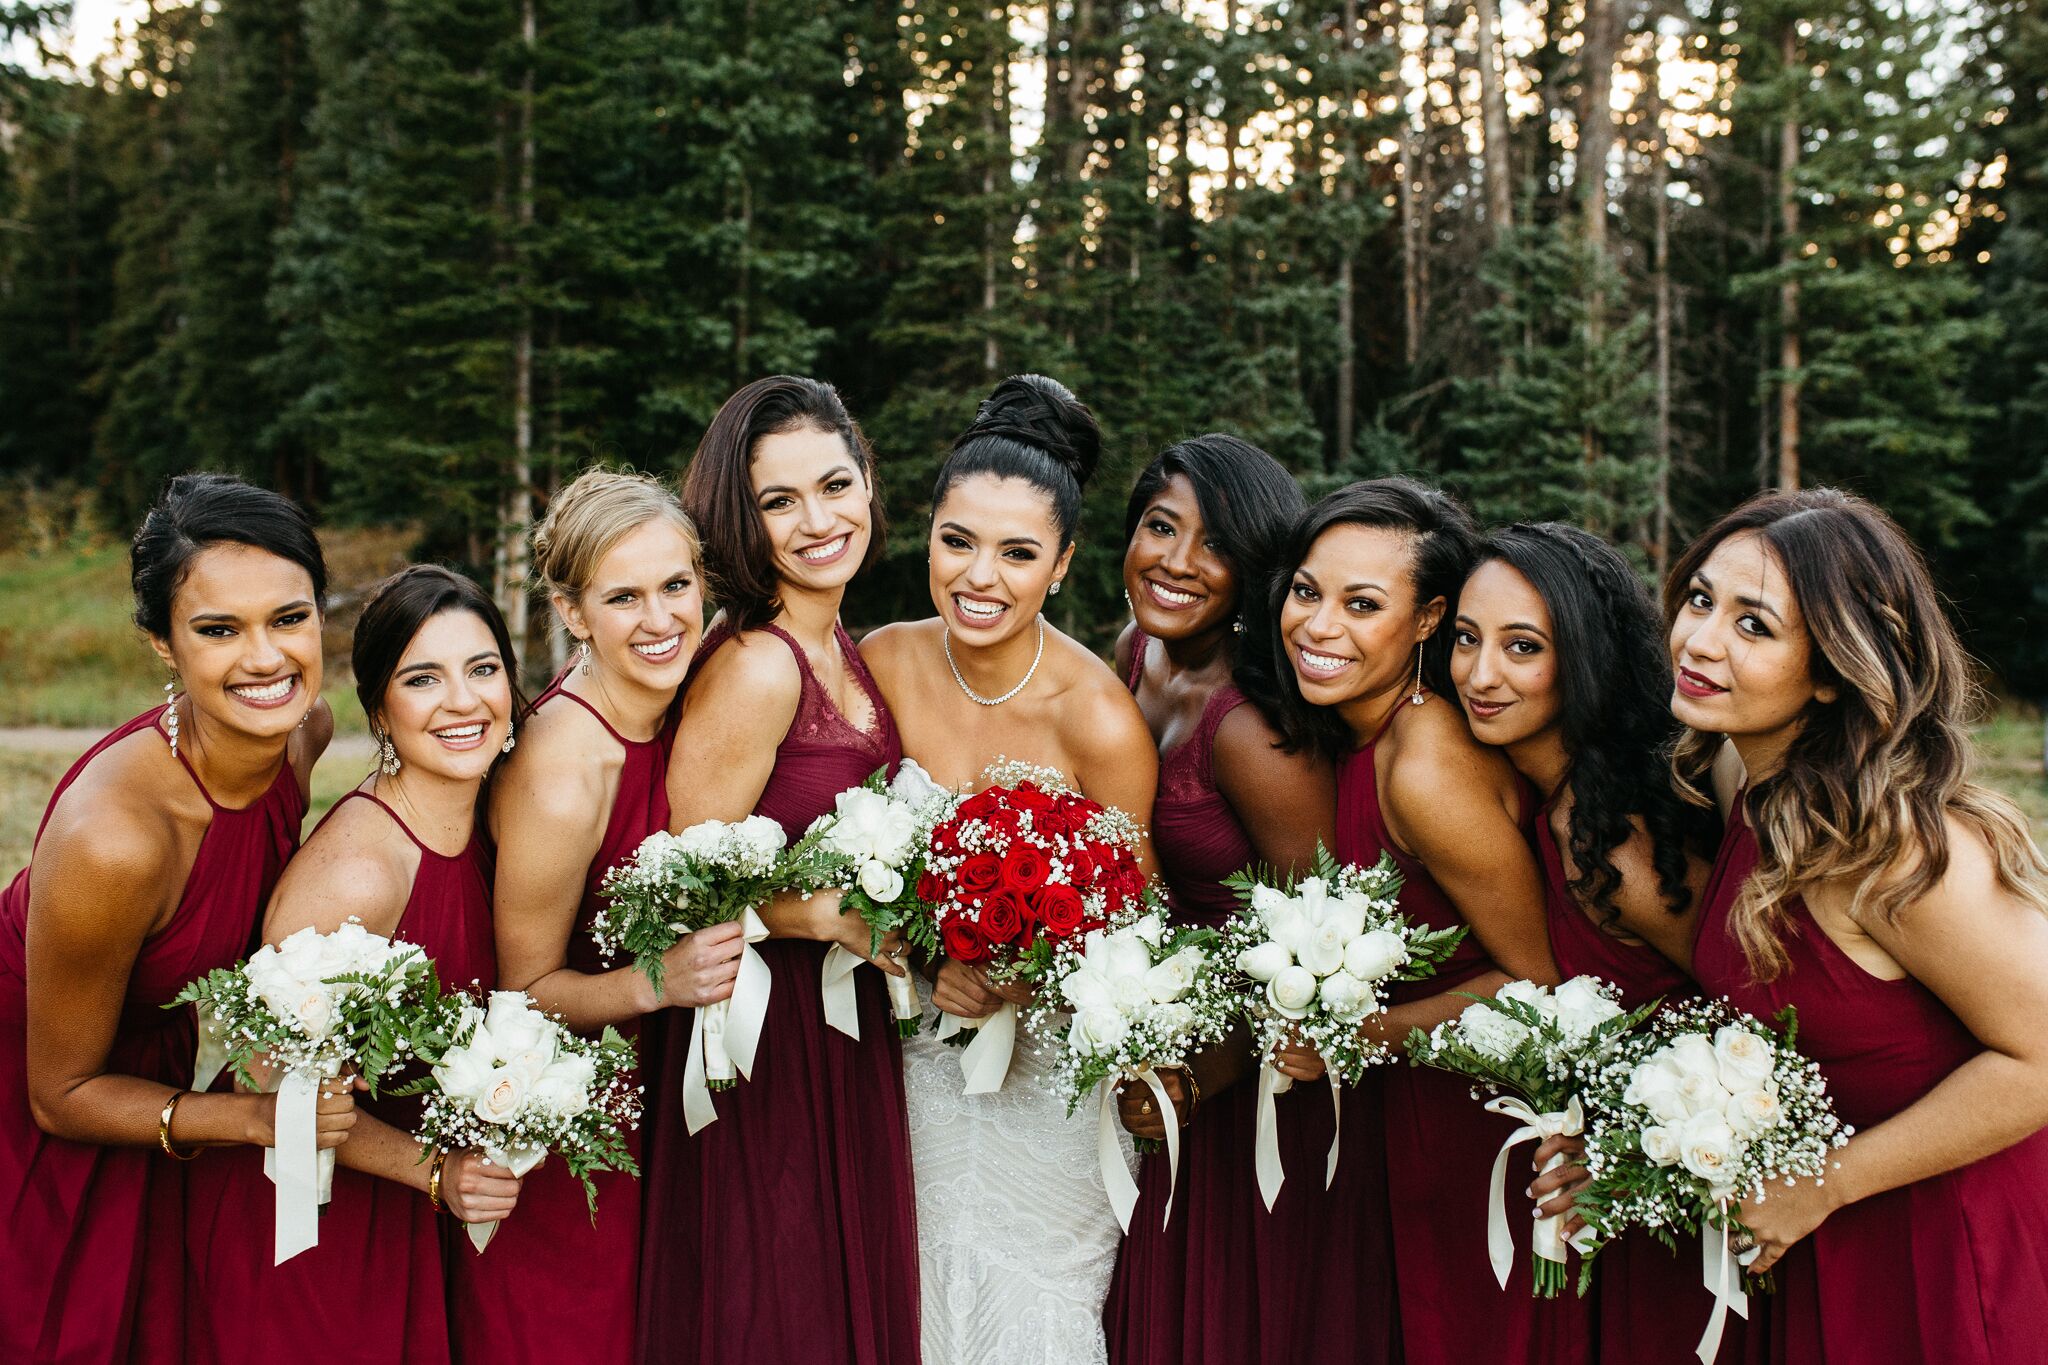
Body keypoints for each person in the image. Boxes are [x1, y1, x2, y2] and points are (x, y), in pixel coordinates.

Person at [1669, 489, 2048, 1364]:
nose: (1700, 640)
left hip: (1946, 1239)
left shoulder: (1898, 848)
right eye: (1700, 599)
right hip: (1828, 1233)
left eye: (1753, 625)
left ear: (1834, 669)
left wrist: (1825, 1185)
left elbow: (2038, 1054)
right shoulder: (1741, 775)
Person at [0, 473, 343, 1363]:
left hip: (150, 1074)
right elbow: (58, 1094)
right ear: (163, 643)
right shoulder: (117, 840)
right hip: (41, 1093)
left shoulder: (304, 734)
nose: (267, 659)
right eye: (219, 629)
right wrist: (254, 1119)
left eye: (290, 617)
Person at [862, 374, 1161, 1365]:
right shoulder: (881, 664)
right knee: (906, 1300)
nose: (978, 576)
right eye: (957, 541)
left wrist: (1034, 971)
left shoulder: (1096, 716)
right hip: (907, 1069)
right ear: (926, 532)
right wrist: (914, 955)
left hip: (1045, 1083)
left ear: (1063, 563)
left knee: (1032, 1320)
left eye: (1016, 552)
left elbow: (1137, 927)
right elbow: (840, 856)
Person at [637, 376, 917, 1365]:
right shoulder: (758, 665)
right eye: (777, 501)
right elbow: (675, 883)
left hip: (841, 1035)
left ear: (868, 482)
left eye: (834, 485)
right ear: (738, 519)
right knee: (776, 1306)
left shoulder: (838, 640)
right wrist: (819, 918)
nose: (816, 520)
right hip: (763, 1042)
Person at [1272, 479, 1578, 1365]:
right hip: (1411, 1106)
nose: (1319, 626)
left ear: (1424, 620)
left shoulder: (1426, 766)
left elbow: (1542, 977)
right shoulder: (1370, 734)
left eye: (1361, 604)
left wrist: (1370, 1031)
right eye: (1306, 590)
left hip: (1474, 1122)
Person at [185, 564, 523, 1362]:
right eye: (423, 678)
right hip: (311, 1228)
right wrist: (437, 1171)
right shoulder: (361, 870)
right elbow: (270, 1078)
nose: (464, 701)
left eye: (482, 668)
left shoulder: (490, 824)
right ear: (381, 709)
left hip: (406, 1215)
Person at [1099, 434, 1371, 1365]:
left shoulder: (1254, 731)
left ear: (1255, 566)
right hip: (1138, 1053)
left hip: (1242, 1086)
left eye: (1212, 544)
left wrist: (1203, 1073)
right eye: (1159, 526)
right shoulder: (1132, 655)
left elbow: (1324, 948)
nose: (1175, 561)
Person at [467, 470, 738, 1365]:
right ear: (573, 612)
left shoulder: (697, 695)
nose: (661, 619)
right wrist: (656, 980)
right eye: (624, 597)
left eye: (675, 586)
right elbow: (522, 989)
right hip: (577, 1128)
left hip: (677, 1098)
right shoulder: (563, 767)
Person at [1451, 523, 1724, 1363]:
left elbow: (1755, 1010)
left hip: (1670, 1196)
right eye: (1466, 639)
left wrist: (1622, 1144)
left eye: (1522, 647)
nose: (1481, 673)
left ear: (1585, 659)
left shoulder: (1609, 840)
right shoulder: (1541, 788)